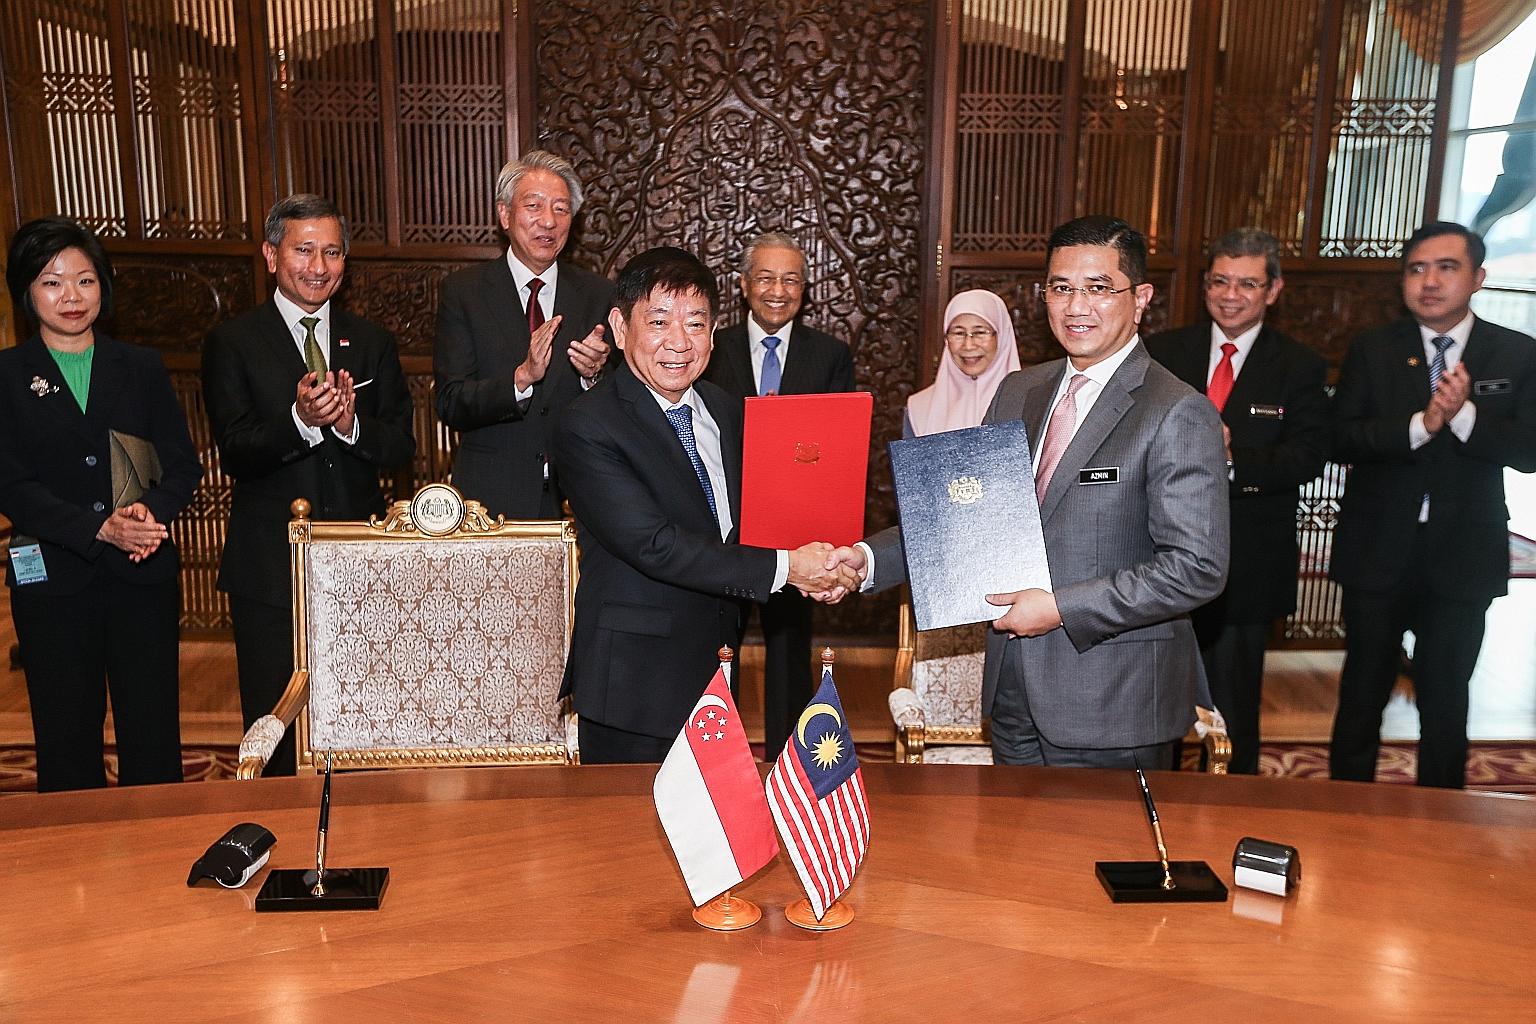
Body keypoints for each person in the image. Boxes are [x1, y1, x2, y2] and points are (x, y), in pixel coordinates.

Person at [825, 215, 1229, 768]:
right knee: (1016, 852)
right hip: (1012, 688)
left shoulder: (1176, 410)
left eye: (1097, 288)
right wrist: (867, 560)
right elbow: (962, 519)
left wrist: (1062, 608)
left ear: (1140, 298)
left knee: (1097, 852)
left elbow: (1196, 567)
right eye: (1061, 288)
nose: (1076, 306)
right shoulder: (1020, 390)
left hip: (1113, 702)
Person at [551, 246, 859, 765]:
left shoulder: (727, 410)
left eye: (695, 324)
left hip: (717, 669)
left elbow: (754, 523)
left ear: (713, 335)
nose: (678, 342)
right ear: (621, 328)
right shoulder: (588, 423)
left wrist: (819, 564)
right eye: (658, 322)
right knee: (622, 841)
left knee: (712, 837)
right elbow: (655, 545)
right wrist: (789, 569)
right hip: (634, 686)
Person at [202, 194, 415, 777]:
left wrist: (348, 423)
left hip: (359, 563)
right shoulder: (234, 342)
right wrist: (299, 421)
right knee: (273, 725)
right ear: (272, 256)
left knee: (363, 721)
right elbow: (237, 451)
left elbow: (402, 447)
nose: (318, 266)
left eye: (332, 252)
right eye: (303, 250)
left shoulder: (371, 341)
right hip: (269, 566)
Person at [1329, 221, 1536, 789]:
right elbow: (1342, 437)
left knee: (1446, 697)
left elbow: (1529, 451)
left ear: (1478, 277)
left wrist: (1464, 415)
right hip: (1378, 552)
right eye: (1417, 268)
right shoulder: (1374, 348)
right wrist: (1423, 425)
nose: (1429, 281)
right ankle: (1343, 813)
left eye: (1446, 267)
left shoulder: (1516, 352)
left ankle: (1442, 822)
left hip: (1463, 555)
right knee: (1361, 693)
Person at [0, 216, 201, 791]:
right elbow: (11, 485)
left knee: (154, 730)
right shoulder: (8, 376)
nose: (70, 296)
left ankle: (159, 854)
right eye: (51, 281)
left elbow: (183, 464)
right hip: (53, 580)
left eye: (84, 281)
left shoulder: (139, 366)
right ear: (27, 292)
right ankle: (72, 863)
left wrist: (150, 512)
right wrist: (97, 528)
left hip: (142, 572)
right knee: (64, 735)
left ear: (103, 287)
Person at [1145, 228, 1329, 774]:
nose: (1231, 294)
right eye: (1220, 281)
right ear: (1204, 285)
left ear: (1272, 290)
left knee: (1234, 709)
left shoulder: (1299, 365)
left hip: (1247, 565)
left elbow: (1309, 457)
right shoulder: (1163, 352)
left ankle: (1229, 812)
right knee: (1154, 703)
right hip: (1156, 560)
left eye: (1247, 284)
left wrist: (1228, 459)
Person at [703, 231, 855, 755]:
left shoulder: (830, 355)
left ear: (805, 288)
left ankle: (787, 760)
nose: (777, 290)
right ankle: (718, 754)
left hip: (797, 529)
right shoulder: (709, 349)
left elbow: (837, 444)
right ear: (743, 285)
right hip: (724, 524)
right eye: (765, 277)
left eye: (791, 279)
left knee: (790, 647)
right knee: (719, 641)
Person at [434, 150, 614, 518]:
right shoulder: (464, 293)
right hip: (492, 499)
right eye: (534, 205)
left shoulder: (599, 294)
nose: (548, 221)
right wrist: (521, 378)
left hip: (582, 494)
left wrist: (595, 376)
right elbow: (452, 402)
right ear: (505, 214)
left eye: (561, 209)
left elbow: (626, 401)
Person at [904, 288, 1021, 437]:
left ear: (1002, 336)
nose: (969, 345)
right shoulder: (919, 406)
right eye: (958, 333)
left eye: (980, 332)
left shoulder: (1029, 402)